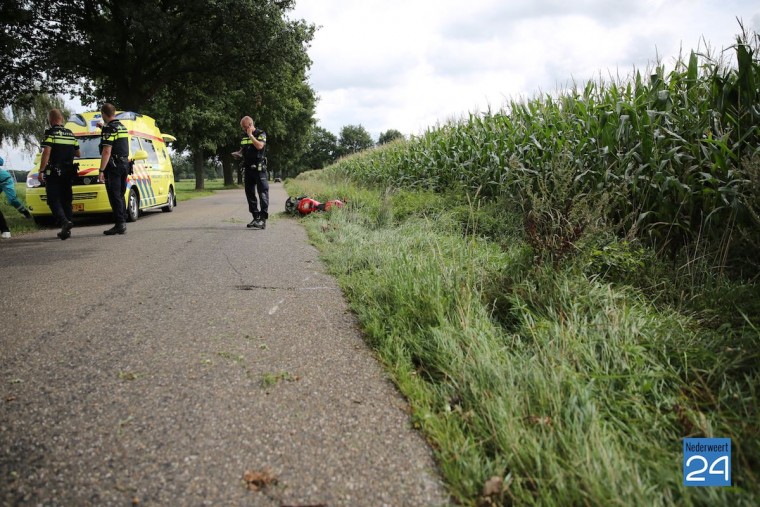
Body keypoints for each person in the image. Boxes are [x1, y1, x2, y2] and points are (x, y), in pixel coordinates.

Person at [37, 109, 80, 240]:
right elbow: (78, 153)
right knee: (67, 200)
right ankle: (67, 230)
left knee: (53, 199)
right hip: (68, 172)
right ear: (61, 119)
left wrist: (41, 170)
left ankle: (64, 222)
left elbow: (46, 152)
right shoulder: (70, 134)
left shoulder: (50, 133)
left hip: (54, 172)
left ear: (51, 120)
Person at [97, 103, 130, 235]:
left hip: (114, 166)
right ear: (114, 113)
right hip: (124, 164)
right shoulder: (122, 127)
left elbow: (106, 151)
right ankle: (122, 221)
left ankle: (119, 224)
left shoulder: (109, 129)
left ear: (103, 114)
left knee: (114, 195)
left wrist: (101, 171)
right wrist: (103, 129)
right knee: (120, 194)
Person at [232, 116, 268, 229]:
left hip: (259, 169)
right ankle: (255, 217)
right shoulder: (244, 136)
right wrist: (238, 153)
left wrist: (251, 135)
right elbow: (244, 149)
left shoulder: (261, 133)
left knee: (263, 193)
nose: (243, 129)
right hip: (248, 169)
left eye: (244, 127)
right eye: (242, 127)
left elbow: (260, 146)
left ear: (250, 125)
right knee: (250, 194)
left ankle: (262, 220)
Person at [0, 156, 33, 239]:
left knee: (12, 200)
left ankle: (25, 212)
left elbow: (1, 162)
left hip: (5, 180)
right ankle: (4, 230)